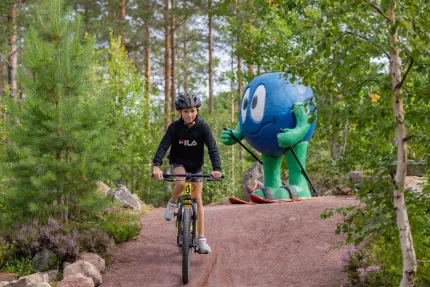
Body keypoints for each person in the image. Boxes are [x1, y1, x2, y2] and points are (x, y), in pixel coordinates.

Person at [152, 92, 222, 254]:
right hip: (178, 162)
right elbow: (163, 146)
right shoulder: (174, 128)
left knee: (197, 199)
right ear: (180, 112)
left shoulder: (203, 127)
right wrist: (156, 166)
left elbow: (213, 149)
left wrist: (217, 169)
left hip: (196, 166)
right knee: (181, 181)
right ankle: (172, 203)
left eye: (192, 110)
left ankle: (202, 239)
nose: (189, 114)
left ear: (197, 110)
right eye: (185, 111)